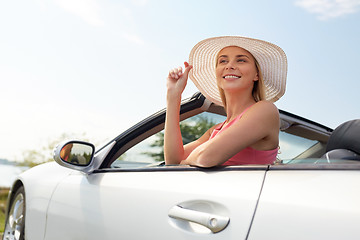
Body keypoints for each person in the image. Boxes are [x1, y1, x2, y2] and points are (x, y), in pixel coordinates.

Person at [164, 36, 287, 167]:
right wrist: (173, 96)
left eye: (241, 60)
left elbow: (205, 157)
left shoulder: (265, 110)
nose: (230, 66)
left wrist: (184, 163)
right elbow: (173, 161)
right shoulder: (216, 130)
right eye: (223, 61)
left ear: (256, 74)